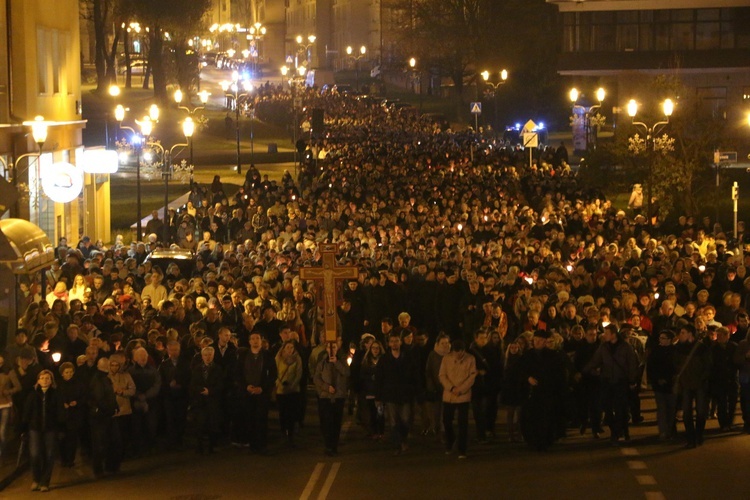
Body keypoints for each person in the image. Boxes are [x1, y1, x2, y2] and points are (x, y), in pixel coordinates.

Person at [584, 323, 639, 445]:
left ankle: (619, 432)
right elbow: (595, 360)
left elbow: (632, 364)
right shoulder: (604, 347)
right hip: (607, 381)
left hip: (620, 381)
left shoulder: (625, 347)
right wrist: (587, 370)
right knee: (607, 408)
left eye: (607, 333)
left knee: (621, 409)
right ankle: (617, 430)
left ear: (613, 334)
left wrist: (631, 380)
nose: (604, 335)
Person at [520, 330, 567, 451]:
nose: (537, 342)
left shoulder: (553, 356)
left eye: (540, 340)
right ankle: (533, 440)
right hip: (532, 392)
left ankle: (545, 440)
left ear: (545, 341)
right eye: (535, 340)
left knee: (547, 417)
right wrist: (528, 378)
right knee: (531, 417)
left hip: (548, 391)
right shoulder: (527, 355)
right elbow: (520, 370)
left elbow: (559, 373)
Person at [376, 331, 420, 456]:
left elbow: (415, 375)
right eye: (392, 341)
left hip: (405, 394)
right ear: (389, 344)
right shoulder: (384, 360)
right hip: (390, 395)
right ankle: (397, 444)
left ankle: (403, 439)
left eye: (396, 341)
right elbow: (379, 378)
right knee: (393, 421)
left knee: (406, 419)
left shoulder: (408, 357)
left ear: (400, 342)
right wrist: (378, 396)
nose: (394, 344)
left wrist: (416, 391)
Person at [23, 369, 64, 492]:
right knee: (35, 454)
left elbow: (60, 412)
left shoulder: (56, 394)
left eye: (47, 378)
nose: (44, 380)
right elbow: (26, 412)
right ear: (38, 381)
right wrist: (23, 428)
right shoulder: (33, 395)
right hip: (35, 428)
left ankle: (45, 481)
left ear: (51, 381)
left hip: (51, 428)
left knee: (49, 454)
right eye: (42, 378)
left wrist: (61, 428)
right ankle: (36, 479)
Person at [236, 332, 277, 454]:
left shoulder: (267, 355)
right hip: (247, 392)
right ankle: (252, 444)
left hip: (262, 392)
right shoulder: (243, 355)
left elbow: (273, 374)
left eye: (257, 338)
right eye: (253, 339)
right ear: (249, 342)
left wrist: (263, 388)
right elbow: (238, 373)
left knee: (261, 419)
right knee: (249, 417)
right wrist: (245, 386)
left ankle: (262, 444)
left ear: (261, 341)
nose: (255, 341)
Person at [674, 323, 712, 448]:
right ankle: (691, 439)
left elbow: (708, 366)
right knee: (687, 413)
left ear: (690, 334)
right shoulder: (678, 348)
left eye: (683, 333)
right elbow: (676, 365)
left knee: (701, 412)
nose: (680, 335)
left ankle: (699, 435)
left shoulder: (701, 348)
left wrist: (702, 379)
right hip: (686, 384)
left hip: (699, 384)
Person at [438, 339, 477, 458]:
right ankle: (450, 441)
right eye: (455, 352)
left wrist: (461, 389)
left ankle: (462, 449)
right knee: (447, 420)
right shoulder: (446, 359)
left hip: (463, 395)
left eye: (459, 352)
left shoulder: (470, 359)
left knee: (462, 422)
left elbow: (472, 376)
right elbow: (442, 375)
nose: (457, 355)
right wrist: (451, 387)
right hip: (449, 395)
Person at [313, 339, 350, 456]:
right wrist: (326, 387)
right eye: (330, 348)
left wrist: (336, 363)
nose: (332, 350)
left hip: (338, 396)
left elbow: (347, 372)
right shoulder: (322, 362)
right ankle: (328, 444)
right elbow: (316, 378)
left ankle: (334, 445)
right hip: (325, 396)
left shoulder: (342, 361)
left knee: (336, 421)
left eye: (334, 347)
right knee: (326, 421)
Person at [190, 346, 224, 455]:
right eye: (205, 355)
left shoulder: (218, 369)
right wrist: (200, 390)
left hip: (212, 400)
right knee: (199, 424)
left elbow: (220, 385)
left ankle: (211, 446)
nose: (208, 357)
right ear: (202, 356)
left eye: (210, 355)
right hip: (200, 401)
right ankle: (199, 446)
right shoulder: (197, 368)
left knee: (211, 424)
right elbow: (193, 384)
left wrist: (210, 391)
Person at [647, 330, 677, 441]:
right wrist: (657, 379)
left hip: (671, 385)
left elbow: (675, 367)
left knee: (671, 409)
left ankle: (671, 430)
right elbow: (651, 367)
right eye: (660, 338)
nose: (661, 340)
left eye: (663, 338)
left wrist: (669, 379)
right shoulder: (656, 351)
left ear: (669, 340)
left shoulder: (674, 351)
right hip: (658, 385)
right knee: (662, 409)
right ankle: (663, 432)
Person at [275, 340, 303, 446]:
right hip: (281, 390)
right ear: (284, 348)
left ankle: (290, 434)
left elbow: (299, 373)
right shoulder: (278, 357)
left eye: (292, 348)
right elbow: (275, 371)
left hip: (293, 390)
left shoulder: (297, 358)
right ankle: (283, 432)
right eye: (288, 347)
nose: (290, 350)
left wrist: (293, 384)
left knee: (291, 412)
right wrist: (279, 383)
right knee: (282, 412)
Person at [57, 362, 84, 467]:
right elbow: (56, 399)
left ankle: (70, 459)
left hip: (74, 415)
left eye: (71, 372)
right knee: (62, 438)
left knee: (72, 438)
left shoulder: (78, 384)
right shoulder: (58, 385)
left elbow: (83, 396)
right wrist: (62, 404)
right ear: (62, 373)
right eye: (66, 372)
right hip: (62, 416)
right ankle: (64, 458)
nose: (69, 374)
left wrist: (76, 402)